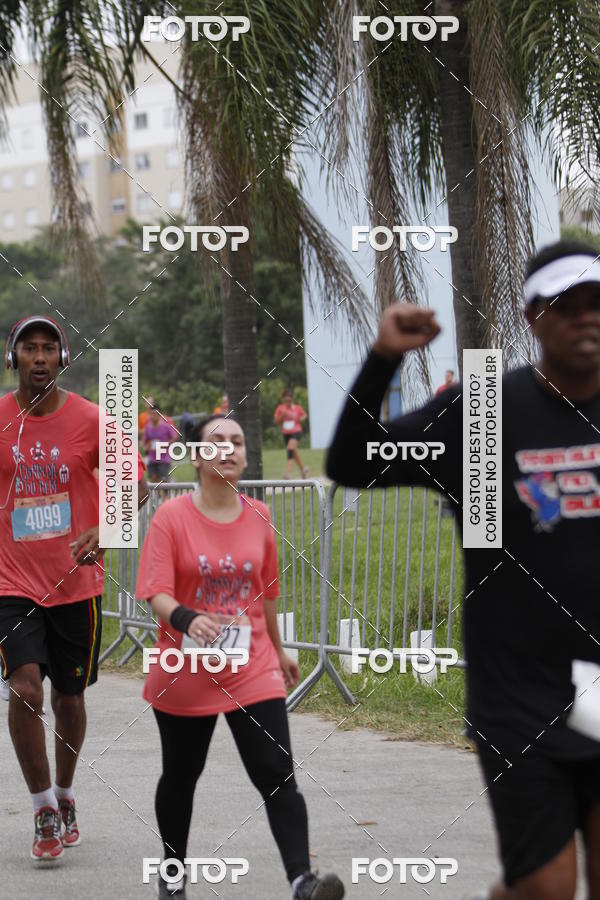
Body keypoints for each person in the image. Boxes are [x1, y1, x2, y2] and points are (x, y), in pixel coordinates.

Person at [326, 240, 600, 900]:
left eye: (598, 303)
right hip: (520, 696)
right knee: (547, 889)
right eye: (567, 305)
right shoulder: (481, 414)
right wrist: (384, 357)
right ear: (533, 317)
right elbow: (354, 463)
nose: (586, 318)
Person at [136, 413, 344, 900]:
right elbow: (156, 593)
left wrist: (278, 646)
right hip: (186, 668)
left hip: (251, 666)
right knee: (182, 776)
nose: (228, 449)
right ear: (196, 457)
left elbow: (265, 591)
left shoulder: (260, 515)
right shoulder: (171, 518)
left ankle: (301, 881)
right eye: (216, 442)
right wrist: (188, 619)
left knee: (276, 771)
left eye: (237, 441)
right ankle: (173, 873)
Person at [0, 315, 149, 862]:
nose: (39, 358)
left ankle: (64, 792)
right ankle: (40, 807)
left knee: (69, 698)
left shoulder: (91, 419)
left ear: (62, 359)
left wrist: (106, 530)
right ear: (12, 357)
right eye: (28, 348)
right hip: (9, 581)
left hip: (76, 583)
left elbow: (134, 482)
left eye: (49, 349)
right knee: (25, 690)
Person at [274, 389, 308, 479]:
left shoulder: (296, 408)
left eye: (290, 400)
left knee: (290, 449)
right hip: (286, 433)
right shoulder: (280, 408)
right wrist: (282, 415)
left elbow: (304, 415)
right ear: (283, 400)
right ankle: (303, 469)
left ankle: (288, 474)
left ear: (292, 399)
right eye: (286, 400)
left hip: (296, 431)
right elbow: (276, 421)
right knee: (293, 451)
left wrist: (301, 418)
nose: (288, 402)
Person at [143, 405, 177, 483]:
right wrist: (145, 447)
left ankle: (171, 484)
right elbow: (144, 441)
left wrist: (165, 445)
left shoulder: (166, 426)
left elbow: (174, 438)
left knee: (163, 480)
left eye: (155, 414)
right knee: (153, 478)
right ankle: (159, 495)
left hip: (164, 458)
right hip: (152, 458)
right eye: (151, 414)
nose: (152, 416)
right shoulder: (148, 427)